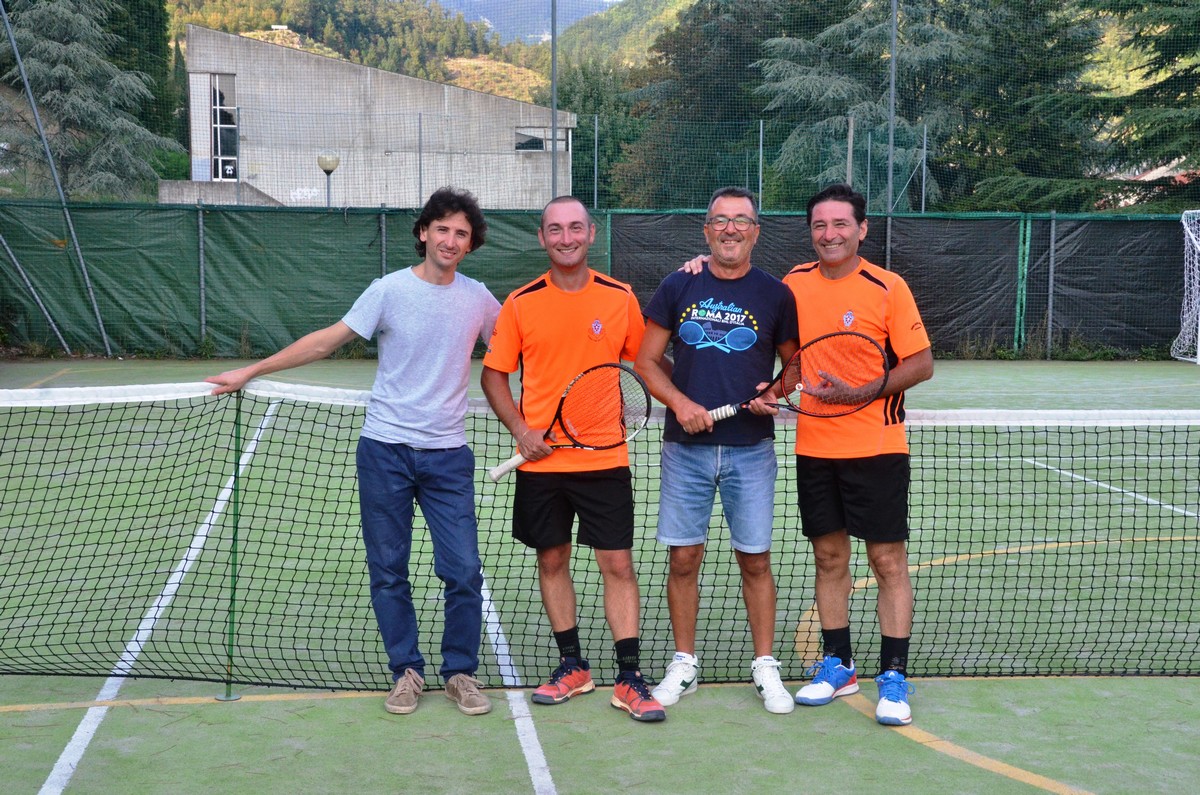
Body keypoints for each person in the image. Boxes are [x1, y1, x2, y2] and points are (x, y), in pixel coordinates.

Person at [207, 187, 500, 717]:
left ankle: (460, 672)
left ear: (470, 243)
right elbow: (325, 342)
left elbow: (525, 346)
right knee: (389, 569)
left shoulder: (479, 299)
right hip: (384, 451)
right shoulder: (388, 290)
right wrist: (249, 370)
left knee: (463, 570)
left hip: (448, 456)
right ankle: (405, 671)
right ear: (423, 233)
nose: (451, 240)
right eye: (443, 229)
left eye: (461, 233)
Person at [480, 196, 664, 722]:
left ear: (590, 235)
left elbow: (644, 363)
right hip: (541, 464)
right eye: (555, 230)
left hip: (604, 459)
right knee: (552, 560)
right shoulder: (520, 303)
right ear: (542, 238)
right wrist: (521, 429)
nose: (566, 238)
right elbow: (495, 374)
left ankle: (629, 676)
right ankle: (572, 666)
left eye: (575, 228)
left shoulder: (619, 297)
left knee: (618, 564)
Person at [634, 186, 799, 715]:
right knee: (683, 559)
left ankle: (765, 666)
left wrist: (773, 393)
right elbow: (645, 360)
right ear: (706, 231)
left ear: (756, 231)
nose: (730, 229)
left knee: (755, 560)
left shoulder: (776, 294)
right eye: (720, 221)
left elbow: (795, 365)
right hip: (686, 451)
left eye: (741, 221)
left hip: (751, 451)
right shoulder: (677, 284)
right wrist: (680, 403)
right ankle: (684, 664)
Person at [783, 183, 933, 726]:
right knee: (828, 558)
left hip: (876, 447)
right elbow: (790, 363)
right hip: (814, 448)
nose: (830, 234)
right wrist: (772, 391)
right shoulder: (793, 285)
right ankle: (838, 664)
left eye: (841, 224)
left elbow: (921, 365)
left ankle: (893, 674)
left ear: (861, 229)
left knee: (887, 561)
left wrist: (862, 391)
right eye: (820, 225)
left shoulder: (888, 287)